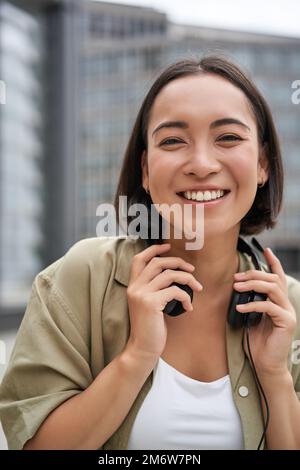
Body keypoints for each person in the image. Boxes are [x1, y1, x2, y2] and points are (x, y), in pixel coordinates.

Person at [0, 55, 300, 451]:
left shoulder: (289, 307)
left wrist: (275, 375)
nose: (201, 164)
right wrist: (136, 355)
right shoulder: (82, 276)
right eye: (173, 140)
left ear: (262, 164)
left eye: (227, 138)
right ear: (145, 169)